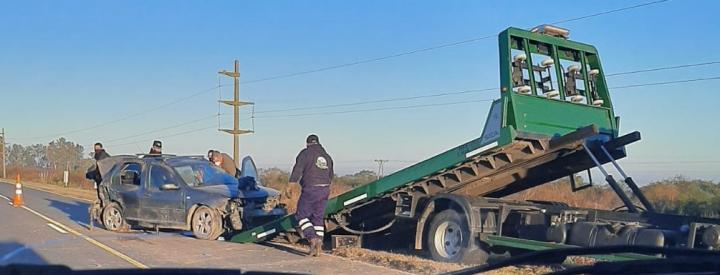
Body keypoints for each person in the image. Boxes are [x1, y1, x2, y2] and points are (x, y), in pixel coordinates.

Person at [289, 134, 334, 257]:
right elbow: (331, 176)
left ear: (307, 143)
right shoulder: (327, 157)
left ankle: (312, 238)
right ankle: (318, 243)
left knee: (301, 215)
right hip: (325, 189)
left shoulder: (305, 153)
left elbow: (298, 169)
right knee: (318, 218)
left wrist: (291, 184)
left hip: (311, 188)